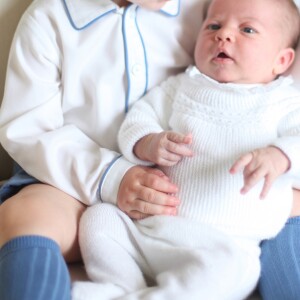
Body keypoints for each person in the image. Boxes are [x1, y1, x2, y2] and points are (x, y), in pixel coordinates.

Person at [72, 0, 300, 299]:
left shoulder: (283, 101)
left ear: (281, 61)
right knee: (99, 218)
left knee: (233, 270)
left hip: (226, 242)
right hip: (151, 230)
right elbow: (138, 119)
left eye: (247, 29)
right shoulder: (181, 86)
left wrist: (280, 155)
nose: (224, 35)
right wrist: (148, 143)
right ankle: (120, 285)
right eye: (214, 25)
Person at [0, 0, 207, 299]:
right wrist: (112, 177)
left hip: (181, 189)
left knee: (288, 195)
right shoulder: (50, 16)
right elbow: (28, 129)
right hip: (70, 190)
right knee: (22, 217)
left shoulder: (206, 10)